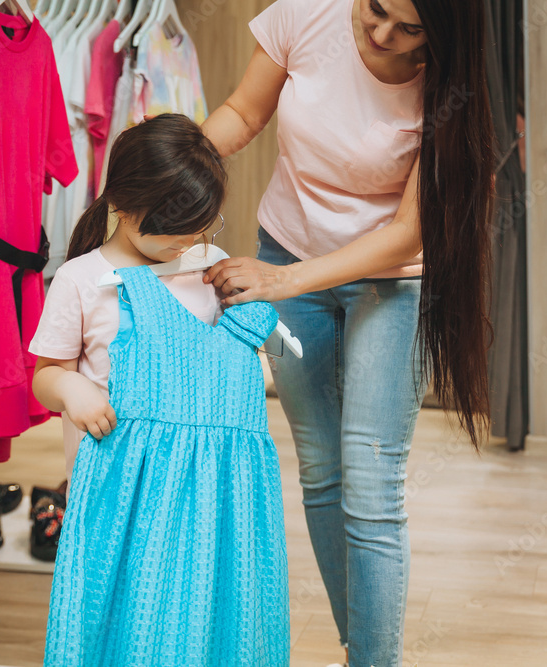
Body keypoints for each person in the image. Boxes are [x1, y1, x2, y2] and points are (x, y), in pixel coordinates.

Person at [199, 0, 496, 665]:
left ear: (442, 32)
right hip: (287, 248)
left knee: (371, 486)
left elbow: (406, 234)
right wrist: (169, 156)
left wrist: (282, 283)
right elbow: (245, 114)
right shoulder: (307, 14)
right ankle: (360, 650)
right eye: (377, 9)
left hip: (391, 279)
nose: (383, 33)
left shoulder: (451, 85)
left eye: (409, 28)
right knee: (324, 472)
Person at [30, 114, 290, 666]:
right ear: (121, 205)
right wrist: (72, 389)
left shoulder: (212, 268)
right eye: (174, 225)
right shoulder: (81, 279)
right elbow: (45, 373)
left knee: (215, 623)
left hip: (218, 494)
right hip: (119, 496)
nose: (187, 242)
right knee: (123, 627)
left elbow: (243, 359)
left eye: (201, 225)